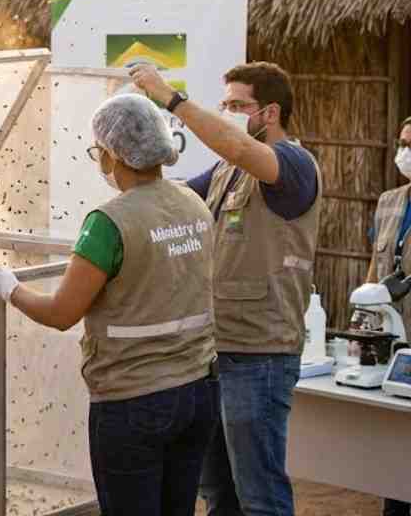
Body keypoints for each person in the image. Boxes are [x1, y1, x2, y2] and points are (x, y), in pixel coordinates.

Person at [0, 94, 219, 516]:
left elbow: (60, 314)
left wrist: (9, 287)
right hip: (198, 391)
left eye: (98, 152)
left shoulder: (109, 222)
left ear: (111, 154)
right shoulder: (191, 202)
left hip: (134, 400)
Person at [130, 62, 320, 516]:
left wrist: (169, 97)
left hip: (261, 355)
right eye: (226, 104)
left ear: (269, 113)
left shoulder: (293, 164)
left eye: (239, 105)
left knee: (261, 497)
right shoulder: (225, 172)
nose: (229, 112)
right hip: (215, 353)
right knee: (219, 494)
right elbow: (173, 198)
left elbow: (234, 142)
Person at [366, 117, 411, 516]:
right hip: (390, 336)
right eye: (402, 143)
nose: (405, 152)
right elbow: (375, 262)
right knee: (394, 444)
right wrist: (363, 314)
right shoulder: (389, 200)